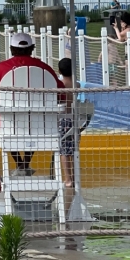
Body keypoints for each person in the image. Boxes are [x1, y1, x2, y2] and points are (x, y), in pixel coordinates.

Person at [0, 31, 64, 174]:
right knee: (33, 120)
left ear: (11, 49)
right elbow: (61, 96)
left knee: (10, 122)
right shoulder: (44, 69)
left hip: (10, 126)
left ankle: (21, 164)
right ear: (32, 48)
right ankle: (24, 164)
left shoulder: (1, 68)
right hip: (42, 126)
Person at [57, 57, 75, 187]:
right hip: (74, 119)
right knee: (73, 150)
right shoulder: (76, 84)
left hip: (63, 119)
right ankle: (74, 177)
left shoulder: (60, 85)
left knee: (63, 151)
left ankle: (68, 179)